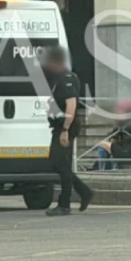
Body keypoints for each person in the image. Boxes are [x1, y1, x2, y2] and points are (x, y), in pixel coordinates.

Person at [43, 47, 92, 216]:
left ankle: (65, 204)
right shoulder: (61, 78)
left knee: (61, 165)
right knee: (56, 163)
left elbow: (71, 105)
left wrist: (65, 129)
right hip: (59, 126)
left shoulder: (67, 79)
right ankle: (84, 191)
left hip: (65, 127)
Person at [92, 99, 131, 171]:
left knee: (103, 146)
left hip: (130, 151)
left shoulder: (130, 123)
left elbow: (130, 139)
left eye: (118, 110)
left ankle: (102, 169)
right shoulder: (123, 123)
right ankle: (102, 168)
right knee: (104, 146)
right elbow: (114, 137)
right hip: (125, 149)